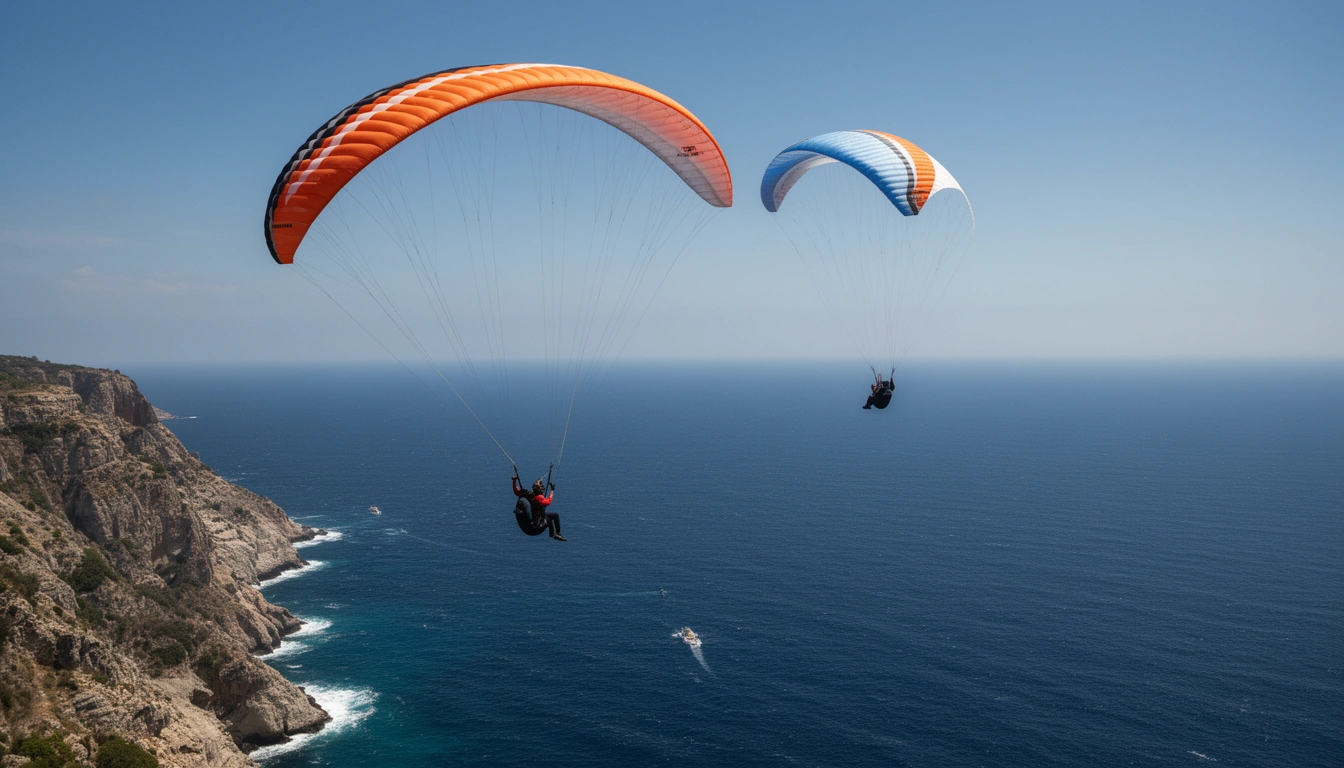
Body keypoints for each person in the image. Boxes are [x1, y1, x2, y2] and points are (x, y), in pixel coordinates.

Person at [513, 470, 565, 540]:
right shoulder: (539, 497)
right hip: (536, 527)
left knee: (554, 515)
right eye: (540, 484)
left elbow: (517, 492)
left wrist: (514, 481)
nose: (542, 485)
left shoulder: (527, 494)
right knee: (551, 518)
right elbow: (548, 502)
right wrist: (552, 491)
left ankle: (556, 533)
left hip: (531, 522)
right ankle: (554, 534)